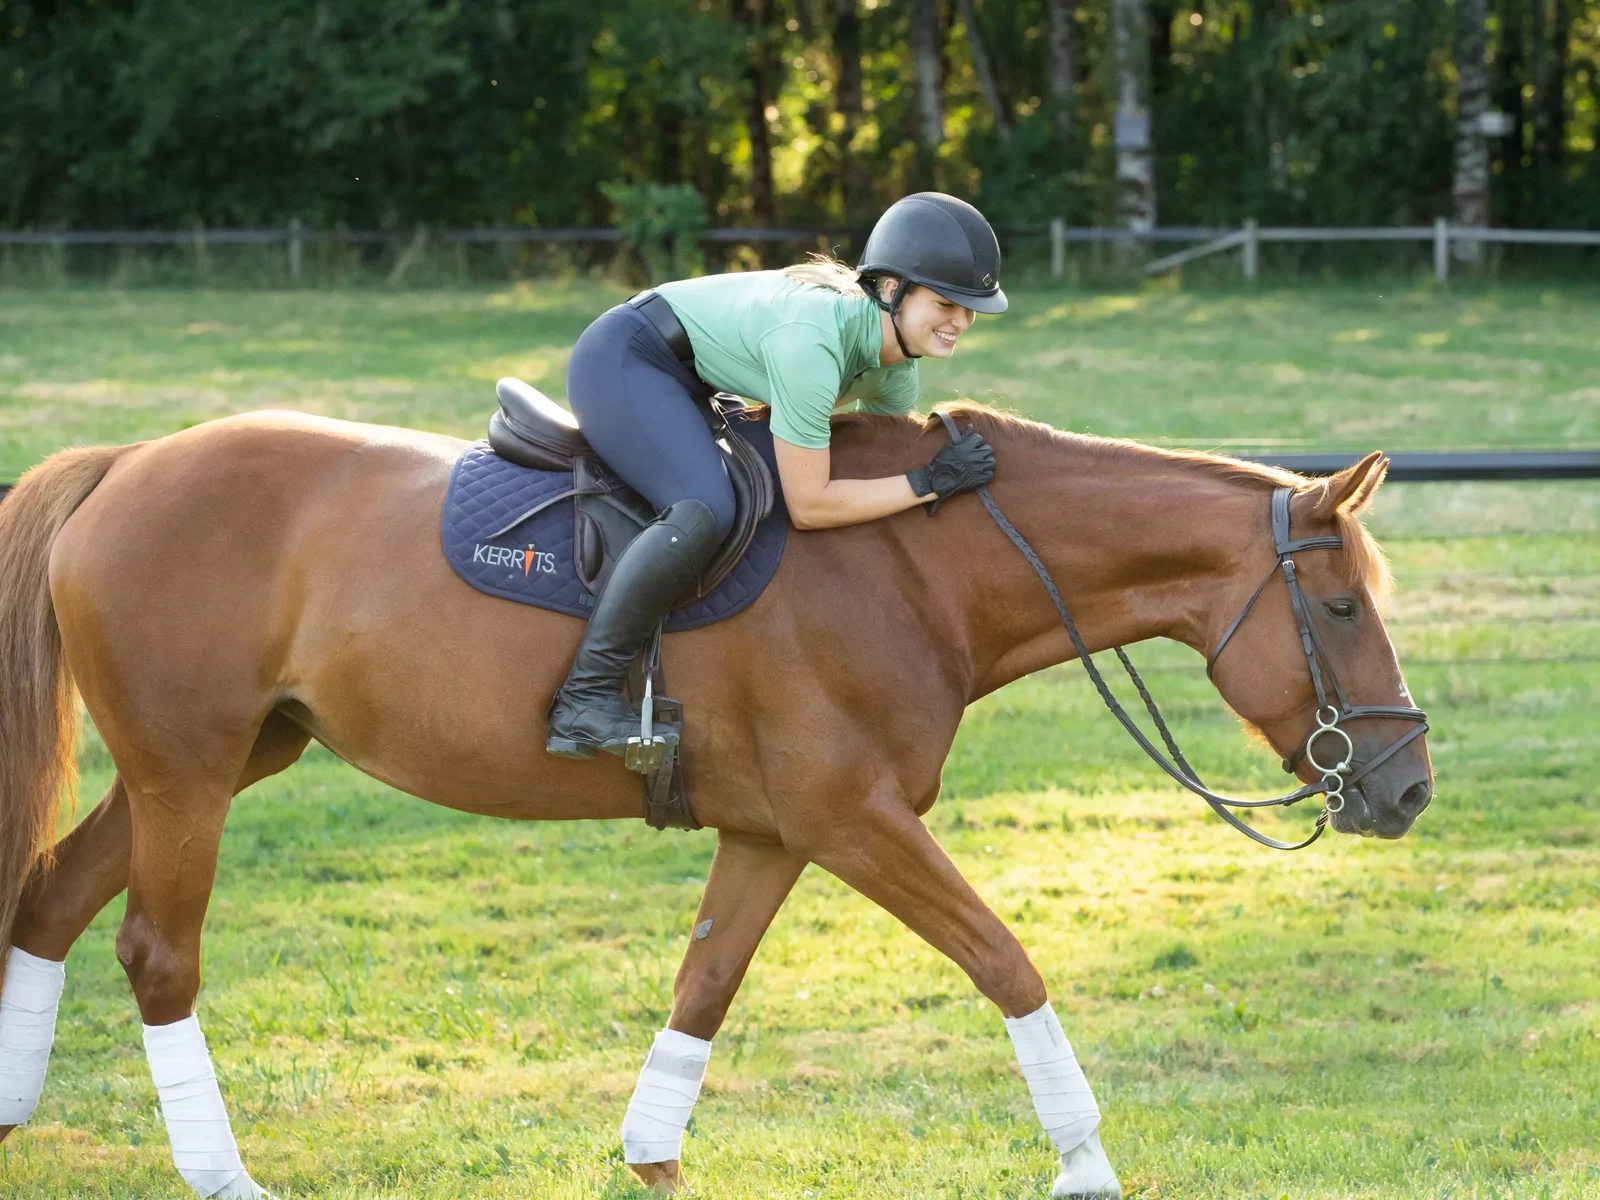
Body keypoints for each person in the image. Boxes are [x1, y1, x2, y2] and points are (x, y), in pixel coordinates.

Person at [545, 191, 1007, 760]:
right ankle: (582, 701)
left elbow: (868, 475)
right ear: (891, 291)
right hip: (626, 358)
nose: (961, 321)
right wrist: (928, 481)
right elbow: (812, 505)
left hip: (693, 377)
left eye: (971, 308)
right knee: (705, 508)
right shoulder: (812, 346)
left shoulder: (895, 372)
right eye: (945, 303)